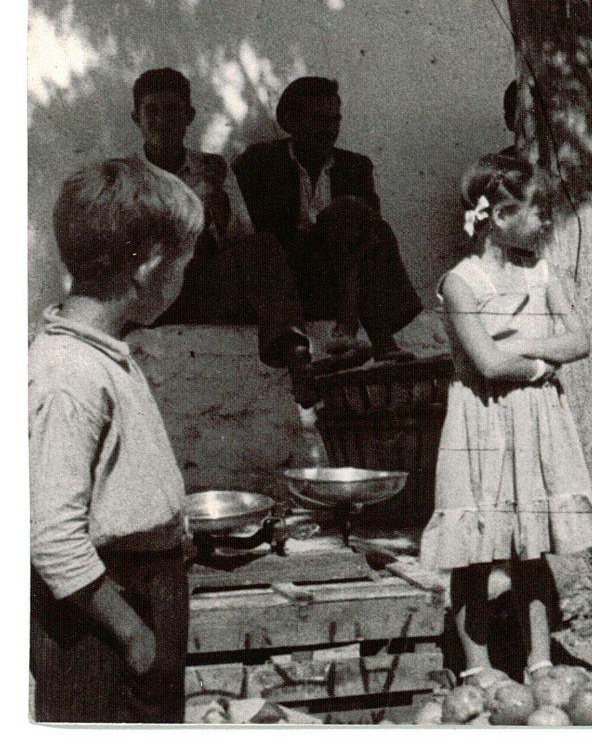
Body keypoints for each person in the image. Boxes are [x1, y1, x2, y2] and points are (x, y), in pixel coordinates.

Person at [420, 154, 592, 682]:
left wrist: (523, 345)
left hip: (537, 422)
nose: (547, 221)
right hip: (481, 421)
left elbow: (580, 340)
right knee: (476, 548)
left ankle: (540, 660)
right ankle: (477, 668)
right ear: (502, 216)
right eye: (539, 211)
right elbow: (487, 363)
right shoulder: (461, 284)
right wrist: (542, 363)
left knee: (532, 544)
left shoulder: (541, 273)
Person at [31, 158, 202, 723]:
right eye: (183, 264)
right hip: (101, 625)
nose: (184, 278)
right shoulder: (68, 373)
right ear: (150, 266)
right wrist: (133, 635)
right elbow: (53, 539)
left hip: (141, 598)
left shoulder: (102, 355)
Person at [128, 69, 323, 462]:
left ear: (189, 116)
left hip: (201, 289)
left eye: (173, 110)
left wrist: (218, 213)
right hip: (154, 299)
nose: (163, 120)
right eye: (152, 111)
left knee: (263, 245)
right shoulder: (124, 177)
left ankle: (297, 356)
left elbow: (242, 239)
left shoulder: (212, 169)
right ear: (137, 118)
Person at [234, 76, 423, 364]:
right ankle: (364, 336)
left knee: (356, 215)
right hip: (284, 286)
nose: (329, 130)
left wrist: (338, 224)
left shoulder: (355, 167)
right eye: (319, 120)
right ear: (290, 121)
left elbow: (370, 234)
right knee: (342, 215)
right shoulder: (260, 163)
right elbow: (254, 233)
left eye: (335, 120)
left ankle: (370, 336)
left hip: (337, 283)